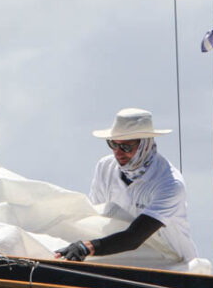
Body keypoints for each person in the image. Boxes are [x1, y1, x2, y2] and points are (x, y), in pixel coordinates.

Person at [55, 108, 199, 266]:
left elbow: (134, 237)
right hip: (122, 260)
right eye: (113, 144)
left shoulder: (170, 184)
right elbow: (96, 218)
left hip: (174, 264)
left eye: (126, 147)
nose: (118, 153)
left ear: (145, 145)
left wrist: (85, 248)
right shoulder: (105, 167)